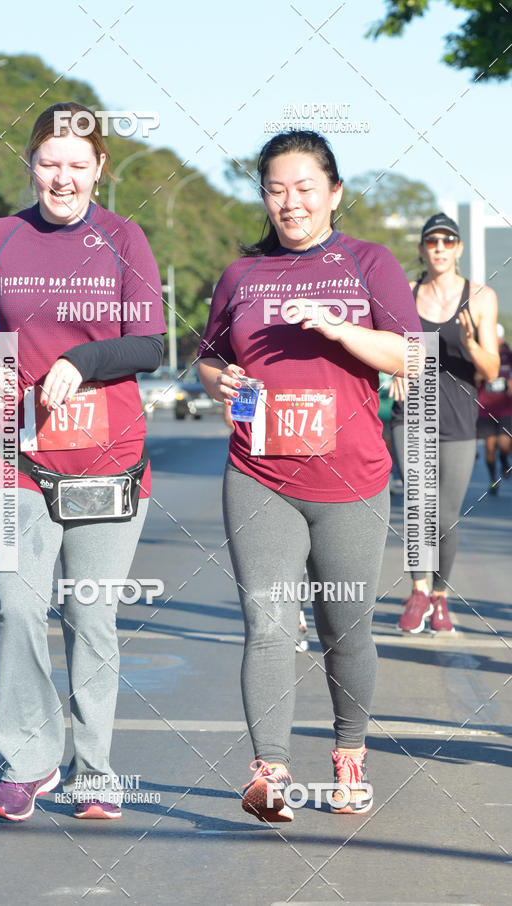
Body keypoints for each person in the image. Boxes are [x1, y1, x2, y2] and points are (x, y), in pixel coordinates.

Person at [0, 101, 166, 821]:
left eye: (77, 165)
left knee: (91, 617)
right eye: (49, 163)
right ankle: (28, 758)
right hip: (13, 453)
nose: (62, 178)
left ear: (101, 167)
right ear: (30, 165)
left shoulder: (124, 239)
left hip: (108, 459)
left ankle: (95, 771)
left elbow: (149, 345)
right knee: (13, 605)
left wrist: (81, 358)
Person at [198, 130, 421, 822]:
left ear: (334, 193)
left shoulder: (369, 262)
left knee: (346, 625)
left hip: (352, 479)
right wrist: (221, 383)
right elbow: (207, 359)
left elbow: (411, 357)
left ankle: (349, 753)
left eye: (303, 188)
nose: (289, 202)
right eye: (275, 188)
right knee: (267, 622)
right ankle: (270, 772)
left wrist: (337, 328)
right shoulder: (241, 275)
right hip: (258, 472)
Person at [391, 213, 499, 634]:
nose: (439, 248)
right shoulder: (405, 292)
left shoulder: (481, 296)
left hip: (458, 416)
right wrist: (395, 368)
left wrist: (471, 342)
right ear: (422, 249)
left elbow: (490, 370)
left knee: (446, 517)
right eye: (431, 242)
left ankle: (440, 596)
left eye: (447, 241)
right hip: (412, 413)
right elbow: (389, 344)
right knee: (418, 508)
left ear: (458, 249)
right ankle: (419, 591)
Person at [476, 323, 512, 494]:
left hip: (505, 409)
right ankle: (493, 480)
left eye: (498, 338)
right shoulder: (481, 355)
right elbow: (474, 379)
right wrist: (481, 373)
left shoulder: (508, 355)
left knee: (504, 445)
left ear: (502, 338)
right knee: (489, 448)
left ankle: (505, 461)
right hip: (485, 410)